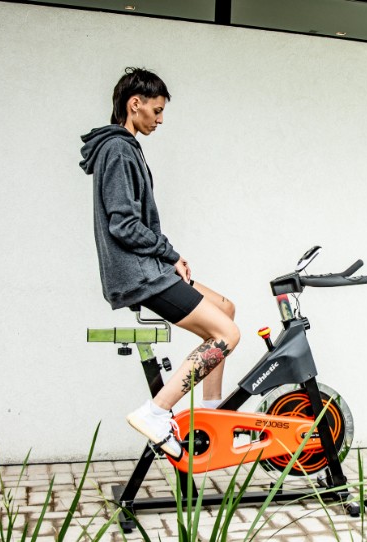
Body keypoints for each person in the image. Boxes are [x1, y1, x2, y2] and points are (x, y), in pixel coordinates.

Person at [79, 67, 240, 459]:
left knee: (225, 308)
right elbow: (123, 223)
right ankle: (155, 413)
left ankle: (210, 412)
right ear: (135, 105)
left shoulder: (124, 148)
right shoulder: (117, 149)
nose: (160, 119)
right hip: (139, 275)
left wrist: (168, 260)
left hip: (150, 268)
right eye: (156, 110)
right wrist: (169, 254)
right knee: (226, 336)